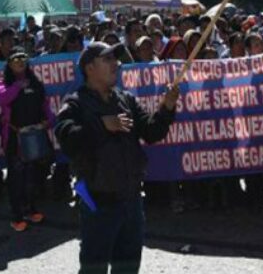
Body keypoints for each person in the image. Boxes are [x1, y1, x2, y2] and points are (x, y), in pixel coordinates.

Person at [55, 42, 179, 274]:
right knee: (95, 267)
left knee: (128, 267)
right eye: (108, 59)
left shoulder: (126, 100)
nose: (117, 64)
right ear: (89, 68)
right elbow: (66, 138)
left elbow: (152, 132)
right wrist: (101, 125)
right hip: (96, 201)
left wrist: (166, 108)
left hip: (131, 200)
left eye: (116, 59)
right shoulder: (76, 103)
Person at [0, 47, 54, 231]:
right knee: (16, 178)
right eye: (15, 59)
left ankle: (30, 208)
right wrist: (17, 87)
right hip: (15, 138)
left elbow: (46, 107)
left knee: (33, 176)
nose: (20, 62)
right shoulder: (3, 83)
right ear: (9, 64)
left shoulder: (36, 83)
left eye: (23, 58)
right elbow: (2, 99)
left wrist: (49, 121)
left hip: (36, 136)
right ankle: (17, 215)